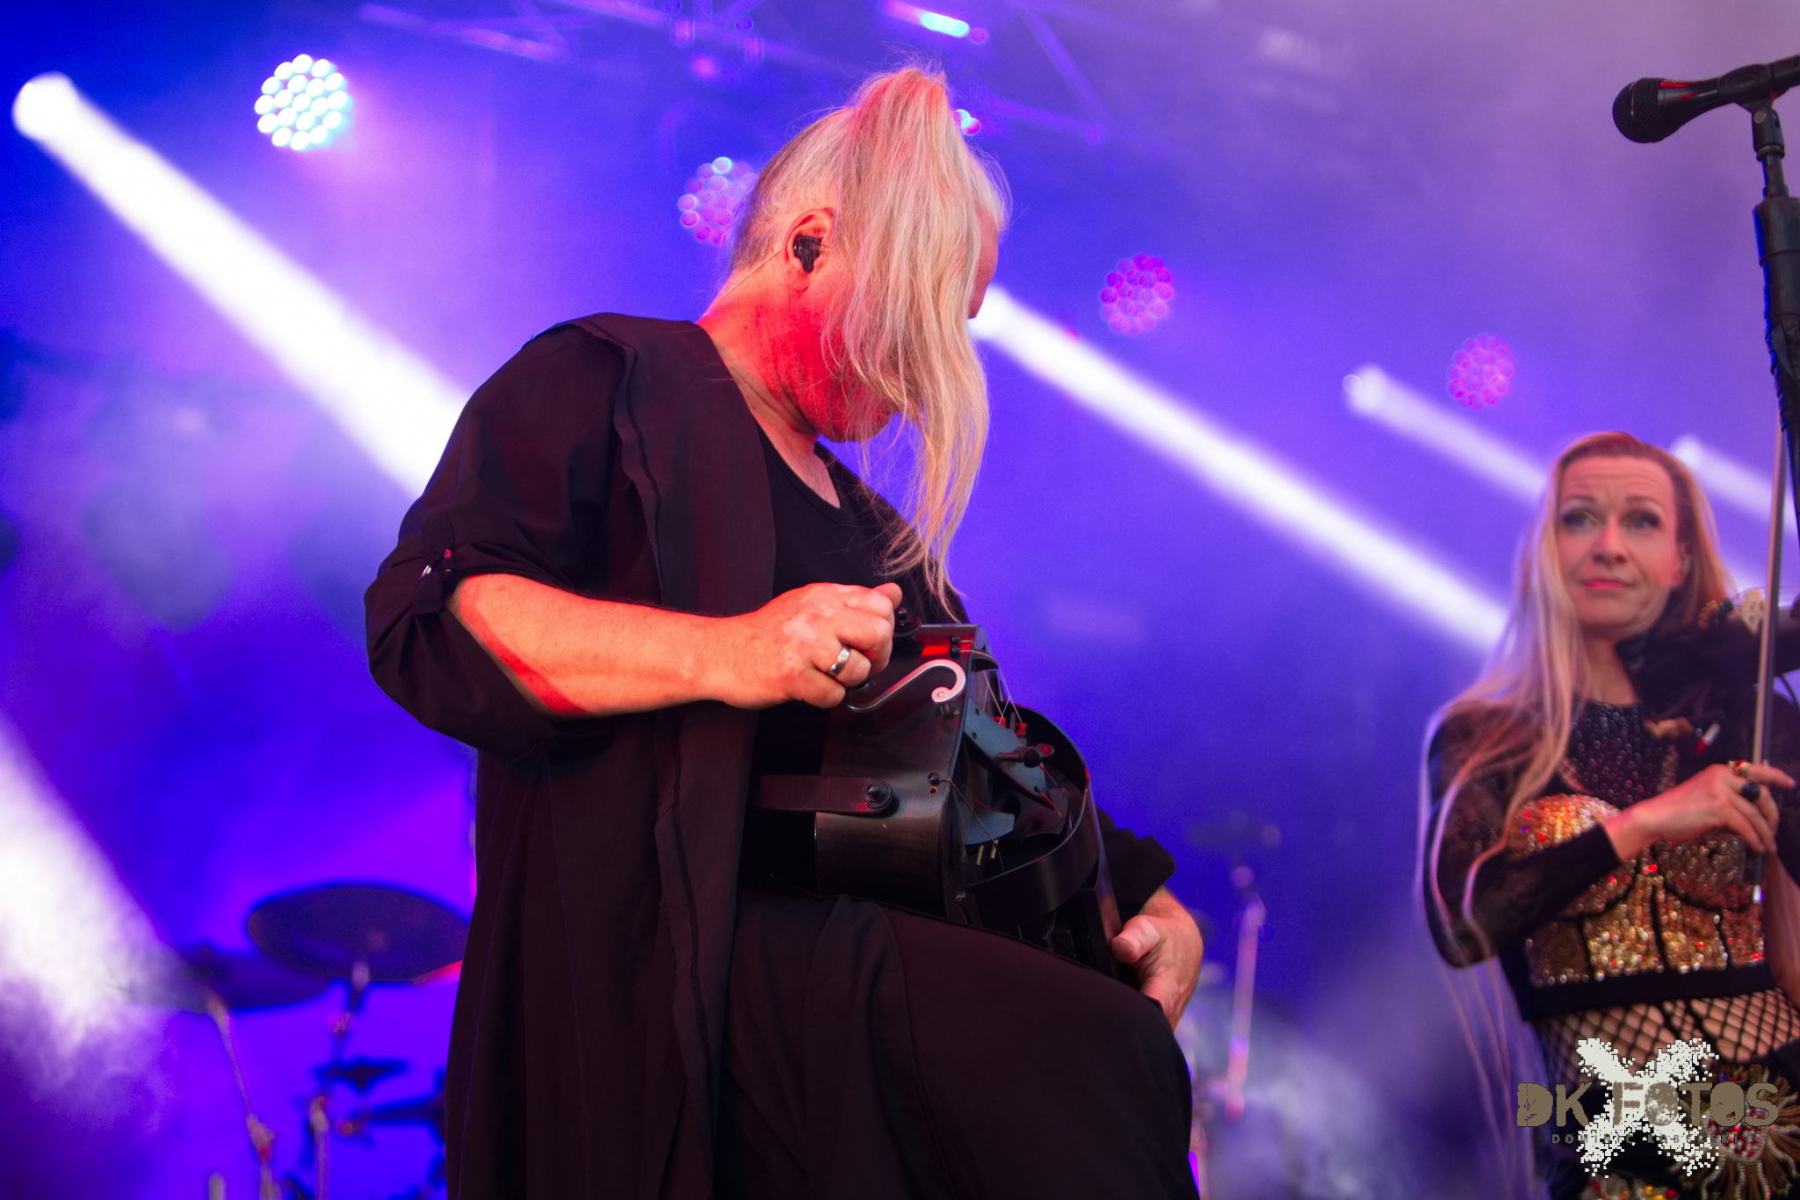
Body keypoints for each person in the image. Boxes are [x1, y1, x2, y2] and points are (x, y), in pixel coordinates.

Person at [366, 66, 1203, 1199]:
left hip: (840, 1002)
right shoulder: (604, 380)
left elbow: (981, 754)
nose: (923, 376)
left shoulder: (876, 535)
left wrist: (1138, 896)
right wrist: (733, 650)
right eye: (915, 318)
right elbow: (434, 619)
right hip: (656, 983)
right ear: (810, 244)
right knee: (1085, 1053)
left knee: (1108, 1043)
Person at [1422, 431, 1800, 1197]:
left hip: (1774, 1119)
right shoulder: (1488, 735)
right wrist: (1645, 822)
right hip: (1599, 1130)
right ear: (1545, 550)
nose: (1609, 546)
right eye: (1580, 519)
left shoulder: (1742, 717)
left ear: (1682, 561)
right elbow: (1463, 928)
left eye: (1642, 521)